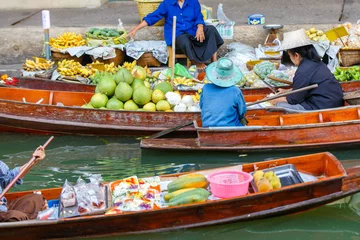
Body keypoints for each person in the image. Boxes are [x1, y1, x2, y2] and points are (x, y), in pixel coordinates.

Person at [128, 0, 224, 71]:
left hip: (192, 31)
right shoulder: (167, 3)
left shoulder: (193, 2)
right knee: (184, 40)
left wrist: (200, 27)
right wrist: (135, 29)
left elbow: (199, 16)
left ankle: (214, 62)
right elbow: (152, 17)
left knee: (211, 30)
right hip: (177, 34)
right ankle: (197, 62)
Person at [270, 29, 344, 110]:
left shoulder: (303, 71)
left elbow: (293, 100)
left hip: (323, 106)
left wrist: (273, 100)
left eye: (290, 56)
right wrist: (286, 91)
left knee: (280, 106)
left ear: (296, 55)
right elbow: (305, 88)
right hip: (334, 101)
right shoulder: (316, 62)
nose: (290, 59)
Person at [0, 146, 46, 222]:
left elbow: (10, 178)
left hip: (3, 207)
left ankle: (23, 223)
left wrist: (33, 161)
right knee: (17, 216)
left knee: (36, 199)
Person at [200, 58, 247, 127]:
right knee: (244, 122)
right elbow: (242, 112)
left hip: (207, 126)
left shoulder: (206, 88)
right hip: (230, 127)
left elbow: (202, 106)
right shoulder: (235, 91)